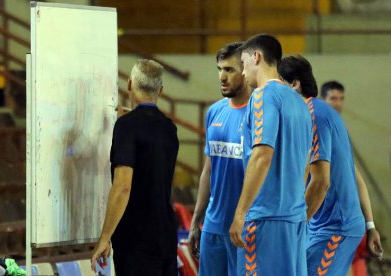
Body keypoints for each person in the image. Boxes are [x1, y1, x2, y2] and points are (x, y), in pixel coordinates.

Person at [278, 55, 383, 276]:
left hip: (336, 228)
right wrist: (370, 226)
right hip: (320, 226)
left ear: (294, 84)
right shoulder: (317, 115)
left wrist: (295, 225)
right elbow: (355, 177)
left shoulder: (314, 116)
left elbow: (321, 181)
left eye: (279, 83)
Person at [229, 34, 312, 275]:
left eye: (243, 64)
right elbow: (306, 164)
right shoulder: (300, 103)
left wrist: (241, 212)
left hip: (265, 218)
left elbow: (262, 155)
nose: (242, 73)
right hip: (295, 218)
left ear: (256, 57)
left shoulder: (263, 96)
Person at [91, 59, 179, 276]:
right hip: (166, 234)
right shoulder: (169, 128)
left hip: (136, 239)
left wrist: (104, 238)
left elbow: (123, 187)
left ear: (129, 84)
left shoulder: (126, 127)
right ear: (160, 90)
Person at [188, 41, 251, 276]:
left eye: (229, 70)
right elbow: (209, 170)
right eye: (219, 69)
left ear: (245, 71)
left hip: (243, 228)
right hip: (213, 226)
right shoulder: (214, 112)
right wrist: (196, 222)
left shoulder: (259, 114)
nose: (222, 77)